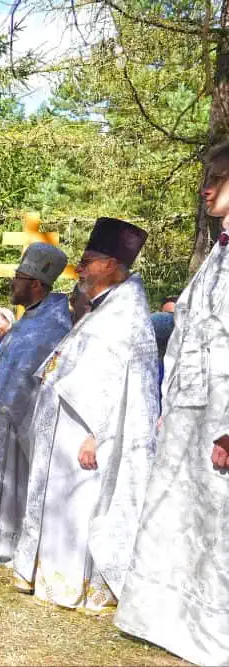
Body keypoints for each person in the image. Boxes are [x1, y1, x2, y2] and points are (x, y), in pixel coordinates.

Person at [114, 144, 229, 664]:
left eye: (219, 177)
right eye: (207, 176)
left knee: (215, 520)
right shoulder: (216, 256)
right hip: (189, 407)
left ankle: (213, 630)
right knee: (179, 514)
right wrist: (170, 403)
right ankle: (167, 619)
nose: (207, 187)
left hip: (219, 412)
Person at [13, 217, 158, 613]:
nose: (80, 267)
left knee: (80, 507)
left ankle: (74, 584)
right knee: (61, 503)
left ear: (111, 264)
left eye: (88, 260)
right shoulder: (102, 309)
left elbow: (125, 387)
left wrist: (99, 435)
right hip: (65, 432)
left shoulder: (126, 315)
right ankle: (49, 577)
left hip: (87, 436)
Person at [0, 243, 72, 566]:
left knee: (16, 481)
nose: (12, 283)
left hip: (23, 419)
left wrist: (9, 399)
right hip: (2, 414)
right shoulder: (28, 320)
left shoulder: (53, 325)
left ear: (36, 284)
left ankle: (9, 543)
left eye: (18, 278)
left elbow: (39, 376)